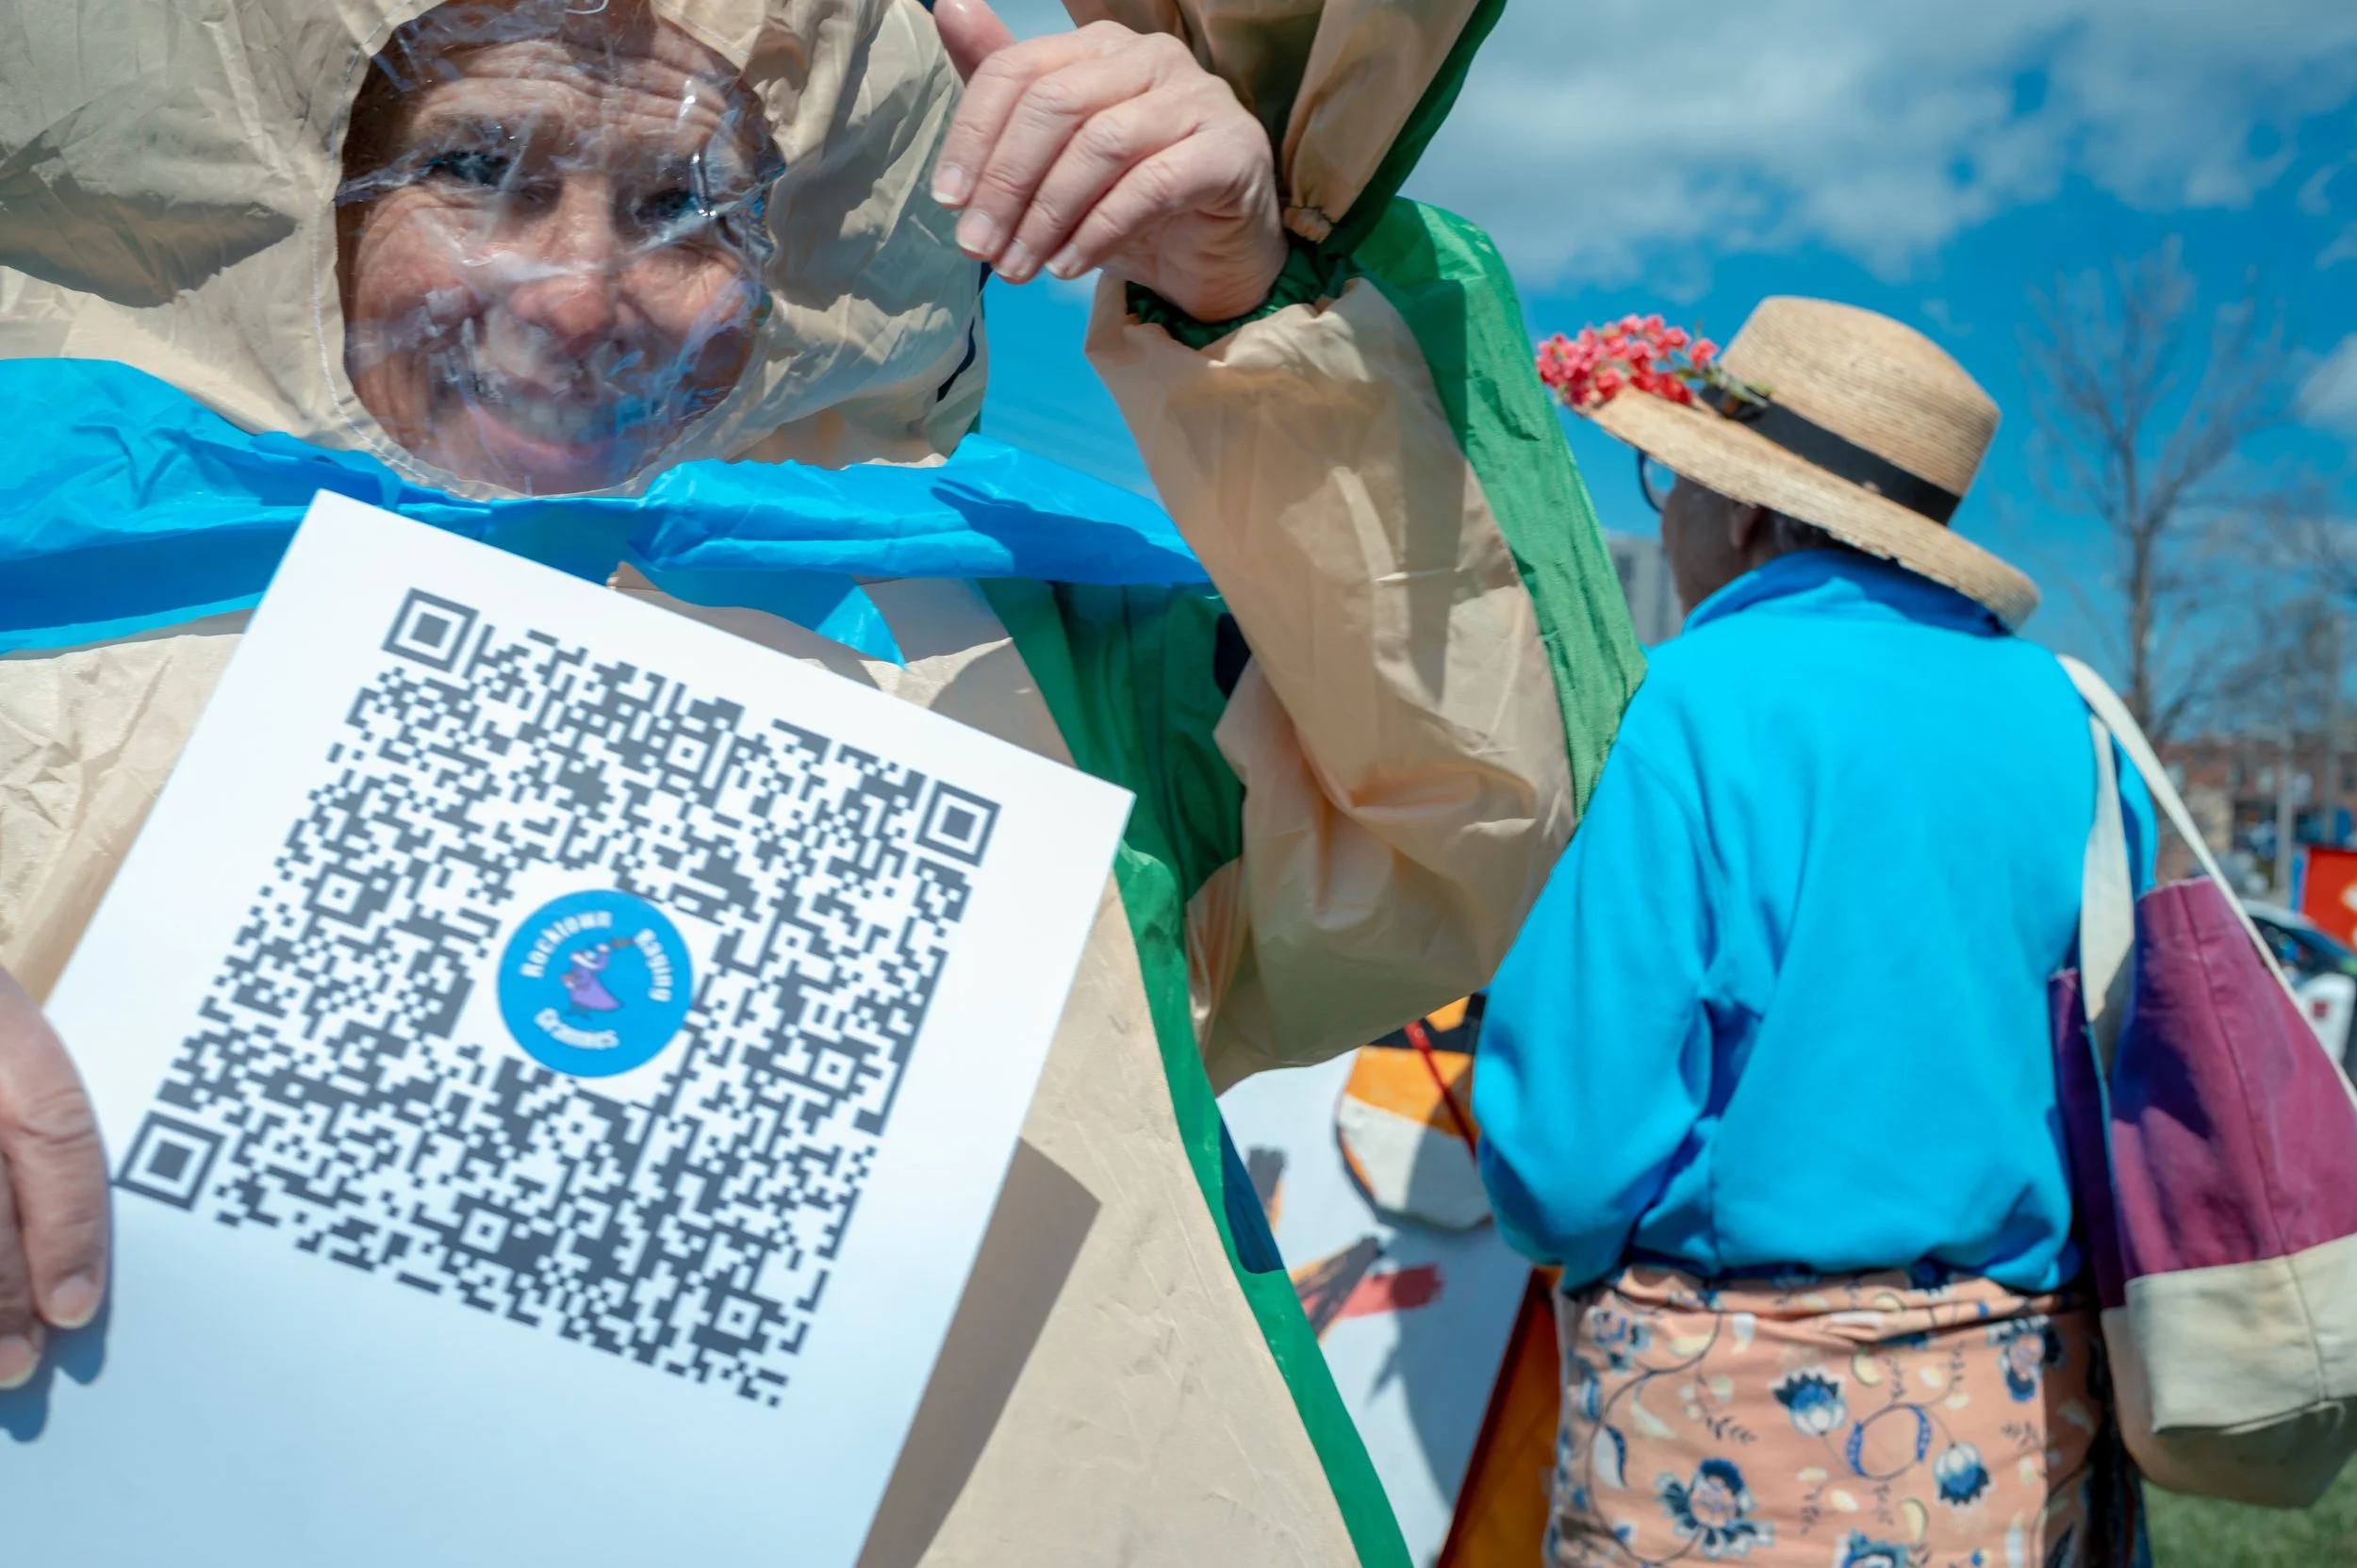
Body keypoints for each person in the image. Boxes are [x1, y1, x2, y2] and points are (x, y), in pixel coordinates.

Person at [0, 0, 1642, 1556]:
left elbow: (1460, 836)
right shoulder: (61, 577)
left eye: (689, 202)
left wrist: (1248, 307)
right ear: (304, 197)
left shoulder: (998, 648)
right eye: (476, 169)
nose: (582, 295)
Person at [1474, 298, 2152, 1567]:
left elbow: (1563, 1151)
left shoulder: (1691, 700)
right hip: (2027, 1426)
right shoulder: (2079, 727)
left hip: (1732, 1427)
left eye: (1667, 474)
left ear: (1743, 510)